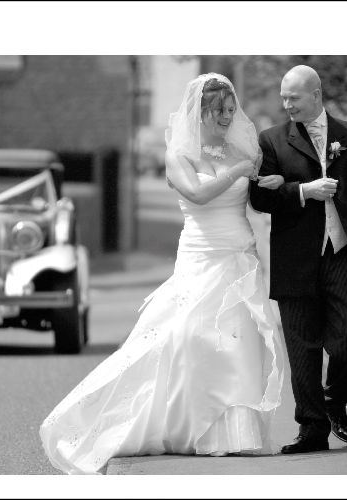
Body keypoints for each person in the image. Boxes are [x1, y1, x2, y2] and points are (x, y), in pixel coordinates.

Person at [40, 73, 287, 474]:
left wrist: (271, 182)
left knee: (239, 342)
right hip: (200, 256)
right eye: (219, 110)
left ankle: (235, 435)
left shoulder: (241, 150)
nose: (228, 116)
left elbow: (256, 198)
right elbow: (197, 194)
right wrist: (237, 171)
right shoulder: (178, 155)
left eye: (231, 109)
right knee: (186, 336)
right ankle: (183, 426)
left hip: (240, 255)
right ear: (200, 112)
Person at [249, 65, 347, 454]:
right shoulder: (271, 141)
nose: (286, 105)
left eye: (293, 98)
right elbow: (260, 198)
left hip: (343, 254)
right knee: (302, 346)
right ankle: (311, 429)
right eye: (283, 98)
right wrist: (303, 191)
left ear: (316, 94)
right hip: (295, 257)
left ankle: (333, 402)